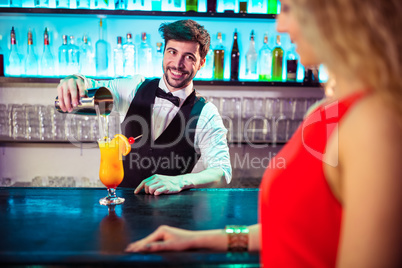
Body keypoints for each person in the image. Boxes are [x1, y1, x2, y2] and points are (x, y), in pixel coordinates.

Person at [125, 0, 402, 267]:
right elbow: (294, 229)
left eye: (288, 8)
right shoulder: (326, 111)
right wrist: (198, 239)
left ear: (336, 14)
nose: (279, 24)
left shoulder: (372, 121)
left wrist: (183, 182)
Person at [56, 20, 232, 195]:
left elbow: (222, 171)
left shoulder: (206, 113)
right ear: (163, 53)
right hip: (123, 208)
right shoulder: (133, 87)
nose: (177, 64)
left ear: (201, 63)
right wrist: (75, 80)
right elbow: (94, 86)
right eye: (172, 52)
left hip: (174, 214)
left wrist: (181, 181)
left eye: (189, 57)